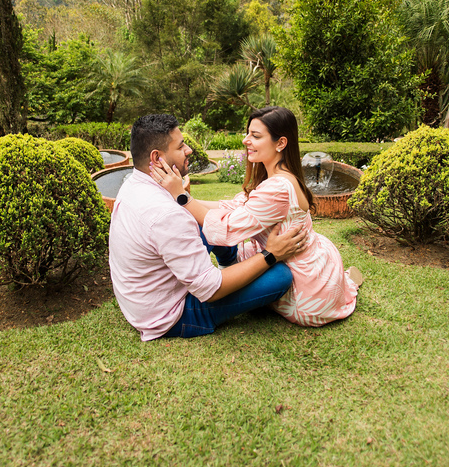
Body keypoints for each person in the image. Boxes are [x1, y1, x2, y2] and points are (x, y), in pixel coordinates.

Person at [151, 106, 362, 327]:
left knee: (217, 237)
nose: (245, 140)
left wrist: (182, 197)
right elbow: (233, 206)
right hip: (307, 256)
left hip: (303, 283)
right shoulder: (275, 175)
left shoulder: (279, 187)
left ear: (280, 143)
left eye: (255, 136)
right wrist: (178, 195)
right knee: (208, 222)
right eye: (248, 133)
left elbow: (227, 227)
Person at [108, 113, 310, 341]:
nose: (189, 150)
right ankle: (238, 270)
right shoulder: (167, 214)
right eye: (181, 145)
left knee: (206, 222)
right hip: (171, 315)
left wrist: (182, 196)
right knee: (281, 276)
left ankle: (230, 263)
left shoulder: (134, 183)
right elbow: (210, 290)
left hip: (141, 300)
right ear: (157, 158)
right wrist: (270, 255)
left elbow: (215, 217)